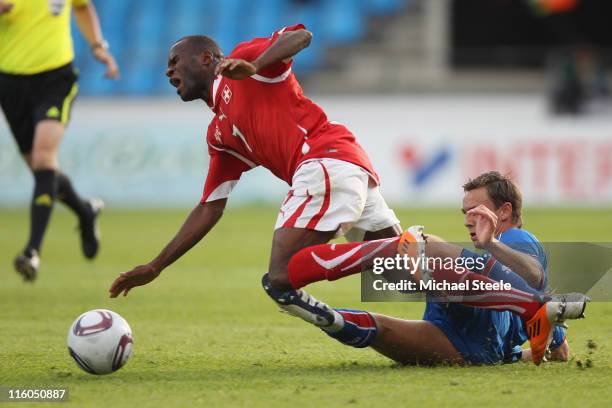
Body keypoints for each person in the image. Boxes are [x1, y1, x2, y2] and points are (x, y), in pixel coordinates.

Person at [107, 26, 585, 365]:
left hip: (325, 161)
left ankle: (393, 248)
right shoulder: (219, 134)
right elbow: (209, 207)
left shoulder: (246, 65)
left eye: (176, 61)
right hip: (345, 168)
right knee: (414, 276)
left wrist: (255, 64)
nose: (168, 71)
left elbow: (301, 37)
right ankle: (532, 307)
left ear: (207, 59)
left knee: (281, 278)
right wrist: (156, 265)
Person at [289, 171, 576, 365]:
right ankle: (320, 313)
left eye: (476, 210)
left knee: (429, 246)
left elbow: (533, 274)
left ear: (504, 211)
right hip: (468, 345)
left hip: (474, 323)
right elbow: (561, 352)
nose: (467, 220)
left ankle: (371, 247)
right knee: (381, 329)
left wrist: (492, 244)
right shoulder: (495, 254)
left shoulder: (516, 238)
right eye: (465, 213)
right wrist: (511, 354)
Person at [0, 0, 119, 281]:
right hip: (10, 83)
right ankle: (85, 210)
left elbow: (82, 7)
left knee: (43, 159)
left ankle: (32, 251)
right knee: (42, 170)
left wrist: (98, 46)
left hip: (56, 78)